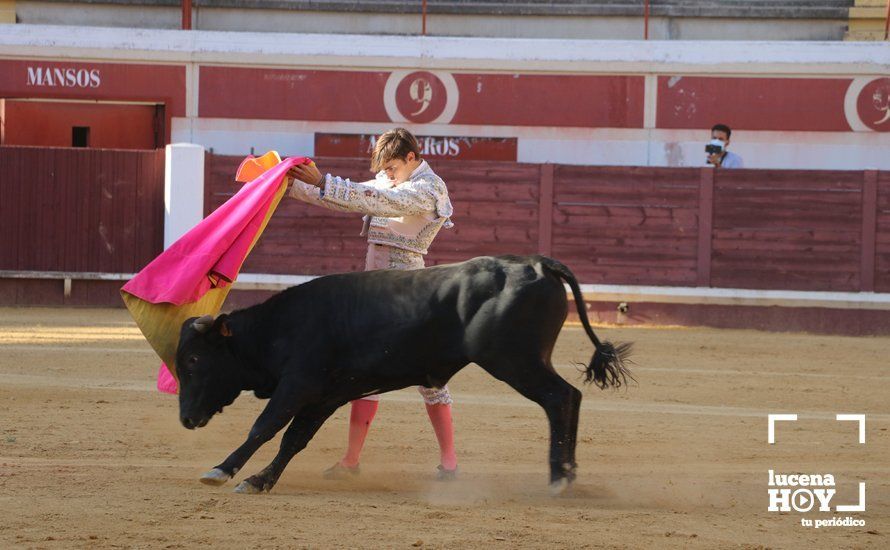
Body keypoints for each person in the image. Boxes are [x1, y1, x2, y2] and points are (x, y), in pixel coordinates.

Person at [286, 128, 458, 480]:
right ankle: (351, 460)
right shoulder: (389, 181)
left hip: (409, 294)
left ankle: (450, 463)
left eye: (393, 167)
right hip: (372, 293)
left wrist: (323, 180)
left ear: (413, 157)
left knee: (431, 378)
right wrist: (285, 184)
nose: (388, 175)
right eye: (385, 170)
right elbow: (343, 198)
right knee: (363, 374)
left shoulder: (429, 188)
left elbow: (373, 201)